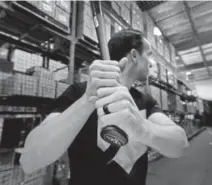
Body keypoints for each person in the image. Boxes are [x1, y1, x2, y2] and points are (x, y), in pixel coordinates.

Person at [20, 29, 189, 185]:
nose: (151, 64)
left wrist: (142, 127)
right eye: (149, 55)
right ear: (135, 56)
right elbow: (30, 159)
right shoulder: (79, 93)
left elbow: (180, 144)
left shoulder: (145, 101)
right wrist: (87, 102)